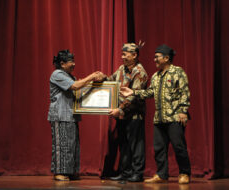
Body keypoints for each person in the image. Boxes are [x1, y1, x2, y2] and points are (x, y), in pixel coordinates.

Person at [120, 44, 191, 184]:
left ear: (166, 58)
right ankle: (161, 174)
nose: (154, 60)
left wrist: (183, 110)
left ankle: (184, 173)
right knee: (159, 148)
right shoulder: (156, 76)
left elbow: (184, 91)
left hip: (175, 116)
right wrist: (133, 92)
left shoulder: (177, 72)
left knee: (178, 146)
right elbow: (149, 92)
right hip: (159, 118)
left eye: (157, 57)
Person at [47, 50, 102, 181]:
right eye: (71, 61)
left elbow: (80, 85)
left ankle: (71, 171)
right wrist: (92, 76)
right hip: (60, 115)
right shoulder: (57, 74)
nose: (74, 64)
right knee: (62, 145)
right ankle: (60, 172)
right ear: (62, 63)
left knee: (72, 144)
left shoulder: (69, 76)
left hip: (71, 115)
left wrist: (100, 80)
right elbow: (76, 86)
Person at [100, 42, 148, 182]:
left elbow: (134, 97)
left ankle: (137, 173)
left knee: (136, 145)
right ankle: (125, 172)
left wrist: (120, 109)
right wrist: (102, 78)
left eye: (125, 54)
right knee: (124, 145)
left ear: (134, 55)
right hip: (121, 114)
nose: (122, 57)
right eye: (122, 54)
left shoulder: (139, 72)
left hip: (134, 114)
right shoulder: (122, 68)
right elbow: (111, 80)